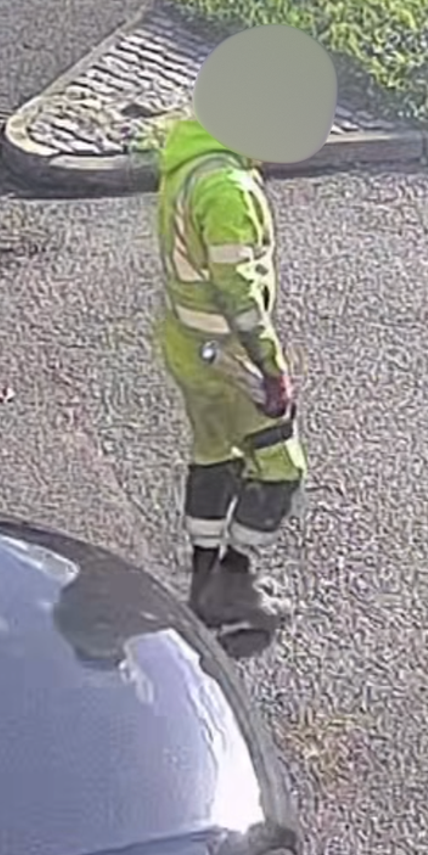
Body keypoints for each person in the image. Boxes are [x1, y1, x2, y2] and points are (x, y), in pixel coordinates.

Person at [155, 113, 302, 642]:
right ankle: (234, 586)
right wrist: (271, 366)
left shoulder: (190, 163)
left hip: (190, 346)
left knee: (215, 455)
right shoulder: (227, 190)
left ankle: (202, 583)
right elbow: (237, 291)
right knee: (281, 469)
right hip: (231, 358)